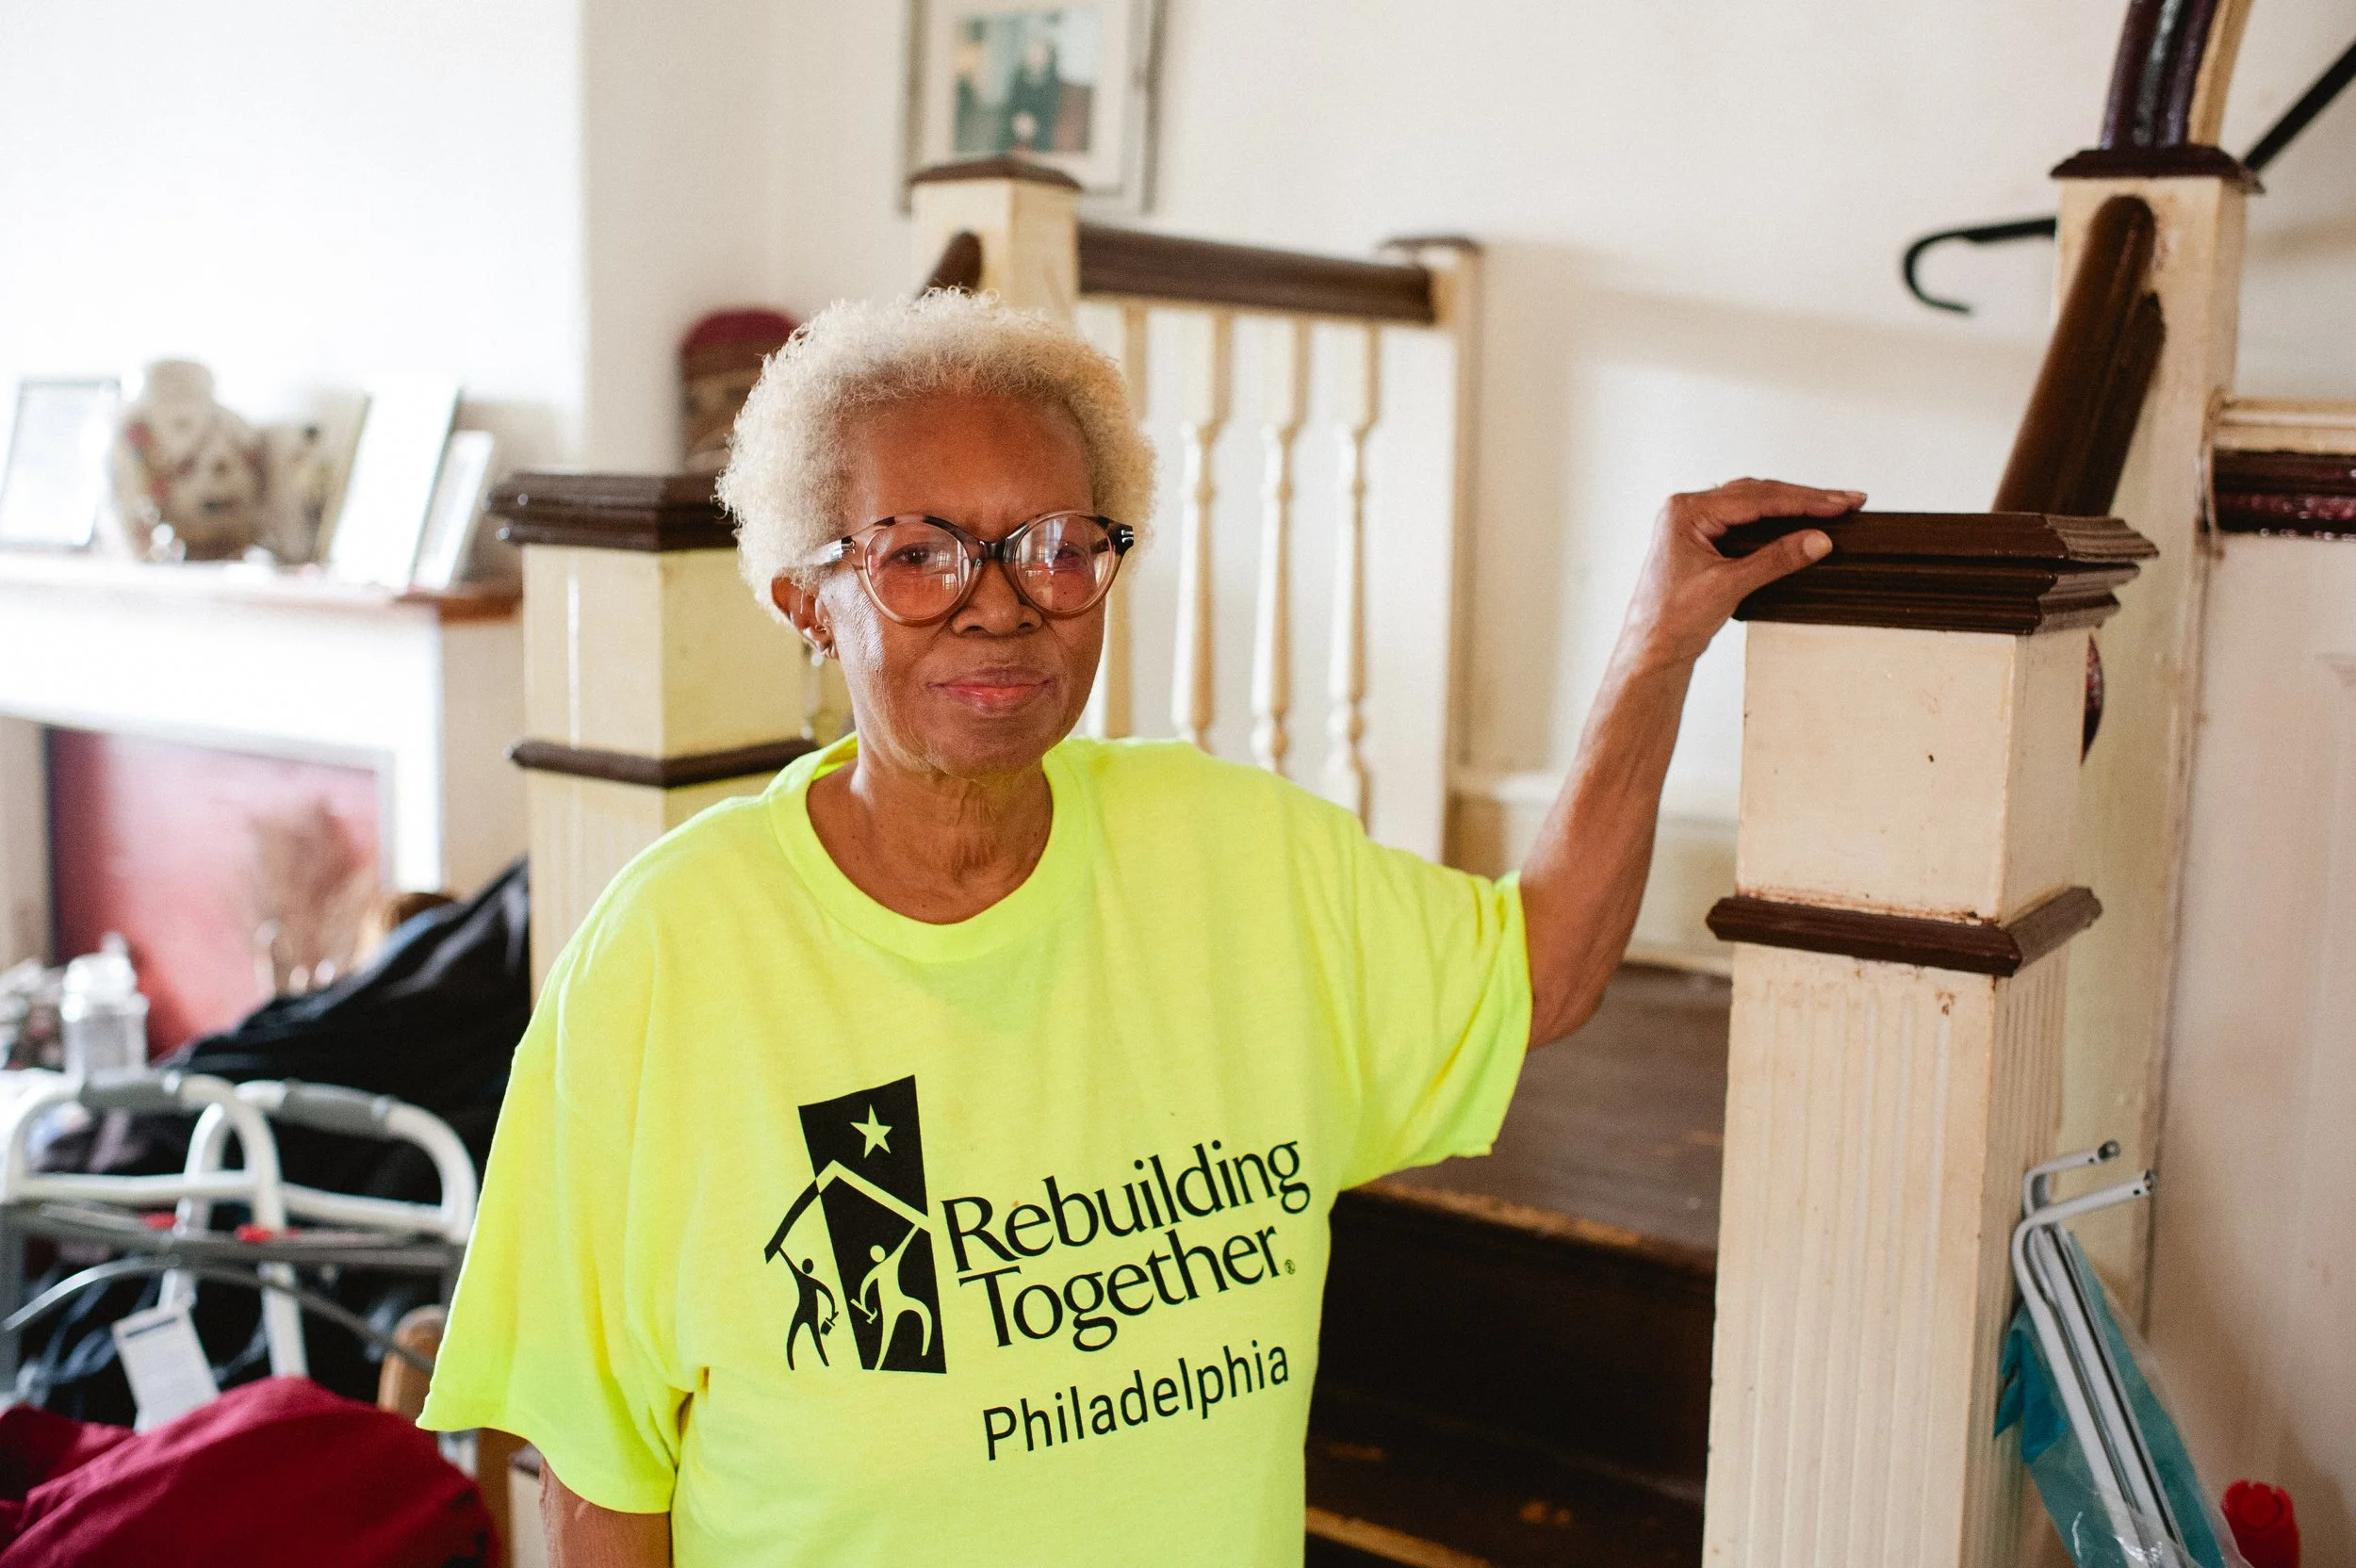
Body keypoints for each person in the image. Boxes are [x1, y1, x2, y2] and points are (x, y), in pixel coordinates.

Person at [418, 290, 1852, 1565]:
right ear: (809, 596)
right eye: (920, 556)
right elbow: (601, 1478)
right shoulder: (673, 952)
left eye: (1054, 547)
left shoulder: (1240, 857)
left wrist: (1652, 648)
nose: (1000, 609)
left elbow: (1537, 973)